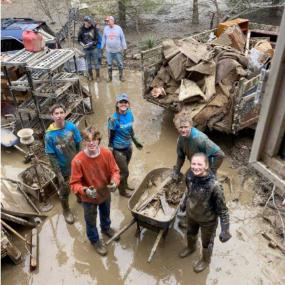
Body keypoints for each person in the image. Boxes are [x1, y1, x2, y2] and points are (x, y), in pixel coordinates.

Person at [70, 127, 120, 256]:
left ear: (99, 140)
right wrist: (85, 190)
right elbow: (74, 184)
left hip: (104, 193)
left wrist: (115, 182)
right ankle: (95, 241)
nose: (91, 143)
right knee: (90, 221)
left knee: (106, 213)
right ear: (83, 142)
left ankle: (106, 228)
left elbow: (115, 171)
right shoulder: (77, 160)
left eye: (94, 139)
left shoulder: (107, 153)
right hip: (89, 198)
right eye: (87, 140)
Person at [179, 153, 231, 273]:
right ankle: (191, 247)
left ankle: (205, 260)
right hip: (191, 215)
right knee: (190, 233)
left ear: (206, 166)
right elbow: (188, 191)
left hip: (208, 221)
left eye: (199, 164)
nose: (196, 167)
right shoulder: (190, 176)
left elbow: (223, 211)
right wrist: (184, 202)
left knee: (206, 242)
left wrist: (225, 230)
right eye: (193, 164)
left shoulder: (215, 186)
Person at [45, 104, 82, 224]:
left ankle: (79, 197)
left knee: (79, 183)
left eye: (61, 112)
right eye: (56, 113)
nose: (59, 115)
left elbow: (78, 144)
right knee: (64, 191)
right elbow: (51, 156)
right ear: (52, 116)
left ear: (65, 114)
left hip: (75, 165)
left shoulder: (71, 127)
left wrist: (81, 161)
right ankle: (66, 210)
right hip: (63, 169)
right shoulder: (49, 135)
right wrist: (59, 175)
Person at [108, 93, 143, 198]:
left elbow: (130, 129)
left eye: (125, 102)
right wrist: (110, 147)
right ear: (117, 104)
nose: (123, 104)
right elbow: (111, 134)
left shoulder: (130, 114)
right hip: (118, 149)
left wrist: (135, 140)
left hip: (128, 147)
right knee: (124, 172)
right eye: (121, 102)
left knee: (125, 169)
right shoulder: (113, 119)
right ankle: (122, 191)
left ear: (128, 104)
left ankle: (125, 185)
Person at [101, 16, 127, 82]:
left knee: (120, 64)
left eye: (108, 21)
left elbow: (122, 38)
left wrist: (124, 46)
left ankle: (121, 77)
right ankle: (110, 78)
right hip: (109, 51)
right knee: (109, 65)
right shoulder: (106, 28)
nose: (107, 23)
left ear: (112, 21)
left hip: (118, 50)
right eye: (106, 21)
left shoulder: (118, 28)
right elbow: (104, 38)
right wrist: (102, 47)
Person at [78, 16, 100, 81]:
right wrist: (83, 45)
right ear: (85, 22)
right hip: (86, 50)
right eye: (88, 22)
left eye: (90, 22)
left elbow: (97, 39)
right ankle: (90, 76)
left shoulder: (93, 28)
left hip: (94, 49)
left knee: (96, 63)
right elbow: (79, 40)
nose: (90, 24)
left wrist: (92, 43)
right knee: (88, 63)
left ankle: (98, 76)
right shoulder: (81, 30)